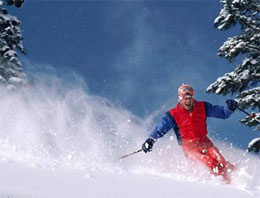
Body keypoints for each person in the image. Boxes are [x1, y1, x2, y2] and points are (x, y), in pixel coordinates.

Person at [142, 84, 237, 183]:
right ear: (180, 99)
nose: (188, 101)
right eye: (185, 98)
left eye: (190, 98)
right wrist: (151, 140)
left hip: (205, 142)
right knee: (211, 164)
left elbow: (222, 113)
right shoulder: (173, 114)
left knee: (220, 160)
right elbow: (160, 129)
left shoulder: (202, 107)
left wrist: (230, 108)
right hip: (190, 147)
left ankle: (238, 176)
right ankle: (226, 185)